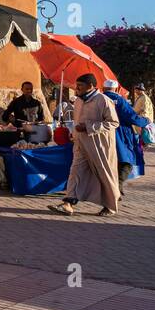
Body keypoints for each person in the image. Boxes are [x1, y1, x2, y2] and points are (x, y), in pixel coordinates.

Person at [49, 73, 121, 217]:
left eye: (80, 86)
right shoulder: (78, 101)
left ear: (91, 86)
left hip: (99, 146)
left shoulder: (104, 101)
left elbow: (113, 123)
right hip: (80, 144)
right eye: (77, 86)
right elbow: (77, 123)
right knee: (75, 172)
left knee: (105, 175)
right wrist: (73, 134)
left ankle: (111, 206)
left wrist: (88, 127)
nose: (77, 89)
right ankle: (68, 203)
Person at [102, 79, 150, 198]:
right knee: (126, 161)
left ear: (103, 88)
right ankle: (117, 186)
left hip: (102, 134)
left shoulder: (98, 99)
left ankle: (115, 187)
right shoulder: (120, 101)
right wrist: (145, 121)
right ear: (115, 89)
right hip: (121, 134)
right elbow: (131, 116)